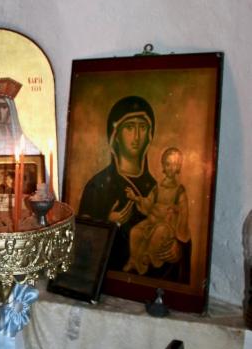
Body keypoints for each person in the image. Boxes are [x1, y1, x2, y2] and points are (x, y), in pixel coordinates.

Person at [78, 96, 157, 271]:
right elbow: (82, 245)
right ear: (116, 135)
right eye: (129, 127)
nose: (137, 136)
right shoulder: (97, 186)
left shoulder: (155, 188)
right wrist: (107, 222)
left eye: (142, 127)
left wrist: (175, 250)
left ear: (149, 135)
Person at [123, 147, 191, 277]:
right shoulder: (158, 187)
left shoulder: (179, 191)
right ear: (163, 166)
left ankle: (149, 256)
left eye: (175, 164)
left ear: (179, 167)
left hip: (167, 224)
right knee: (135, 232)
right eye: (168, 164)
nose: (171, 168)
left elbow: (184, 211)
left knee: (159, 232)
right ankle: (134, 260)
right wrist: (135, 198)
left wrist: (176, 210)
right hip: (152, 220)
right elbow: (148, 203)